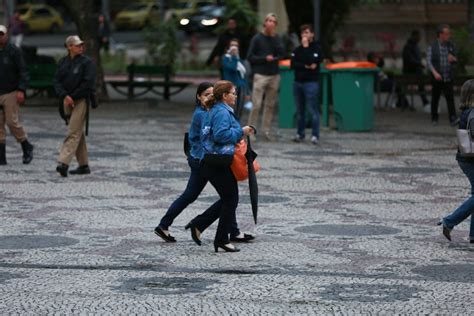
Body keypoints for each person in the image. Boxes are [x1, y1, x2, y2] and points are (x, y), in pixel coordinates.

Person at [154, 82, 254, 244]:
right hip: (204, 160)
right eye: (206, 94)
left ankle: (231, 231)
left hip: (203, 158)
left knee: (222, 195)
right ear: (198, 97)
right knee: (225, 196)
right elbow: (218, 136)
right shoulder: (205, 114)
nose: (209, 97)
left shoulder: (209, 111)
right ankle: (223, 230)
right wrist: (240, 132)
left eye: (211, 93)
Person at [187, 80, 255, 252]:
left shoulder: (215, 109)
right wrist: (242, 131)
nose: (235, 96)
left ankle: (202, 226)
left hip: (212, 160)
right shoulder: (221, 112)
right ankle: (220, 238)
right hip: (216, 161)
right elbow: (220, 135)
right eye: (233, 93)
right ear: (224, 96)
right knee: (231, 198)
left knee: (229, 198)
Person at [54, 35, 96, 177]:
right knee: (77, 132)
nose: (81, 47)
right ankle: (83, 165)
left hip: (81, 100)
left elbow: (88, 84)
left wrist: (73, 96)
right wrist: (65, 95)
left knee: (73, 131)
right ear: (69, 47)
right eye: (77, 45)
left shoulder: (87, 63)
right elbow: (57, 81)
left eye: (81, 45)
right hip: (67, 100)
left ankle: (63, 162)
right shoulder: (63, 62)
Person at [438, 79, 474, 244]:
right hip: (471, 159)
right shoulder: (473, 113)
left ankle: (473, 234)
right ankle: (449, 221)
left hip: (465, 158)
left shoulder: (467, 111)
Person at [246, 13, 284, 141]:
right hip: (260, 74)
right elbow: (250, 57)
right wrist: (264, 58)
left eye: (273, 21)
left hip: (274, 74)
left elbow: (282, 54)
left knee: (270, 105)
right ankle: (250, 131)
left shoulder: (277, 38)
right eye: (268, 20)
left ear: (275, 25)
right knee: (256, 104)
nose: (270, 23)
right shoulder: (257, 38)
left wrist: (275, 54)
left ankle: (266, 131)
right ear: (264, 23)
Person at [0, 24, 34, 166]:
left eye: (1, 34)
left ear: (6, 35)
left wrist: (21, 89)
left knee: (11, 122)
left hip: (11, 91)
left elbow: (23, 71)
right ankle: (1, 157)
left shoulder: (14, 51)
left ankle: (26, 145)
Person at [290, 24, 323, 145]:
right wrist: (305, 66)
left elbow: (313, 63)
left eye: (307, 32)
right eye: (303, 33)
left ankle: (315, 135)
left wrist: (306, 48)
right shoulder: (297, 50)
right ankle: (300, 134)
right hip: (298, 82)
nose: (305, 35)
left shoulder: (317, 49)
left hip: (311, 83)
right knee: (300, 110)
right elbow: (293, 65)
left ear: (312, 34)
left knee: (312, 109)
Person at [427, 24, 458, 126]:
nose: (449, 36)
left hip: (448, 76)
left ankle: (453, 119)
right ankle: (434, 118)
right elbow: (429, 62)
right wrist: (435, 73)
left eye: (449, 33)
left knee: (450, 99)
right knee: (435, 98)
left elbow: (456, 59)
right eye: (446, 33)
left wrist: (453, 59)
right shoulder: (432, 46)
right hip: (437, 77)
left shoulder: (450, 45)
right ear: (441, 34)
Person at [402, 30, 430, 112]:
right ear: (414, 36)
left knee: (421, 85)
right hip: (410, 72)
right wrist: (419, 64)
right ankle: (424, 101)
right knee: (419, 85)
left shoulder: (415, 46)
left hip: (417, 71)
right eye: (418, 36)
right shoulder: (408, 47)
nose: (419, 38)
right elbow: (410, 60)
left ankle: (425, 101)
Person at [222, 39, 249, 119]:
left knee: (239, 109)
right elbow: (232, 68)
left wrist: (247, 92)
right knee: (230, 108)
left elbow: (244, 76)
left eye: (236, 45)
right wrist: (234, 57)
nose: (234, 47)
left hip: (241, 86)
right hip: (230, 87)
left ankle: (237, 124)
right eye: (232, 45)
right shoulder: (226, 59)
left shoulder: (240, 60)